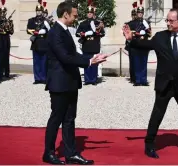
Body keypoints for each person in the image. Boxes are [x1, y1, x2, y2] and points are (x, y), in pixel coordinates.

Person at [123, 8, 178, 159]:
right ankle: (149, 144)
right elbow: (145, 45)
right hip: (164, 83)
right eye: (167, 20)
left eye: (171, 20)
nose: (168, 23)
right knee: (157, 114)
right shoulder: (160, 37)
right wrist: (130, 39)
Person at [43, 1, 108, 165]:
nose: (76, 18)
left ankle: (71, 153)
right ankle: (48, 152)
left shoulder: (65, 31)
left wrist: (91, 58)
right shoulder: (55, 32)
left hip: (70, 81)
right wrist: (89, 62)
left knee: (70, 119)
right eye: (75, 15)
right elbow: (65, 57)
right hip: (59, 83)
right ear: (65, 14)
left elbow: (74, 54)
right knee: (56, 118)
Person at [76, 1, 105, 85]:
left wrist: (97, 32)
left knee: (94, 63)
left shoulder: (98, 23)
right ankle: (88, 79)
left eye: (91, 13)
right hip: (86, 45)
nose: (89, 14)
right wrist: (84, 34)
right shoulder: (83, 23)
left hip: (94, 45)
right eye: (88, 13)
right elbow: (77, 33)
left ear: (93, 14)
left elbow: (103, 33)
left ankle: (93, 79)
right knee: (87, 62)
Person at [26, 1, 48, 84]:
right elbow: (28, 30)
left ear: (42, 12)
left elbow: (51, 31)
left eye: (40, 11)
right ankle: (37, 78)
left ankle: (44, 78)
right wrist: (36, 32)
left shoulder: (46, 21)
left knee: (44, 62)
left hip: (44, 43)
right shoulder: (31, 20)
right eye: (37, 11)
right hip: (35, 42)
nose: (38, 12)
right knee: (36, 62)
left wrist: (45, 31)